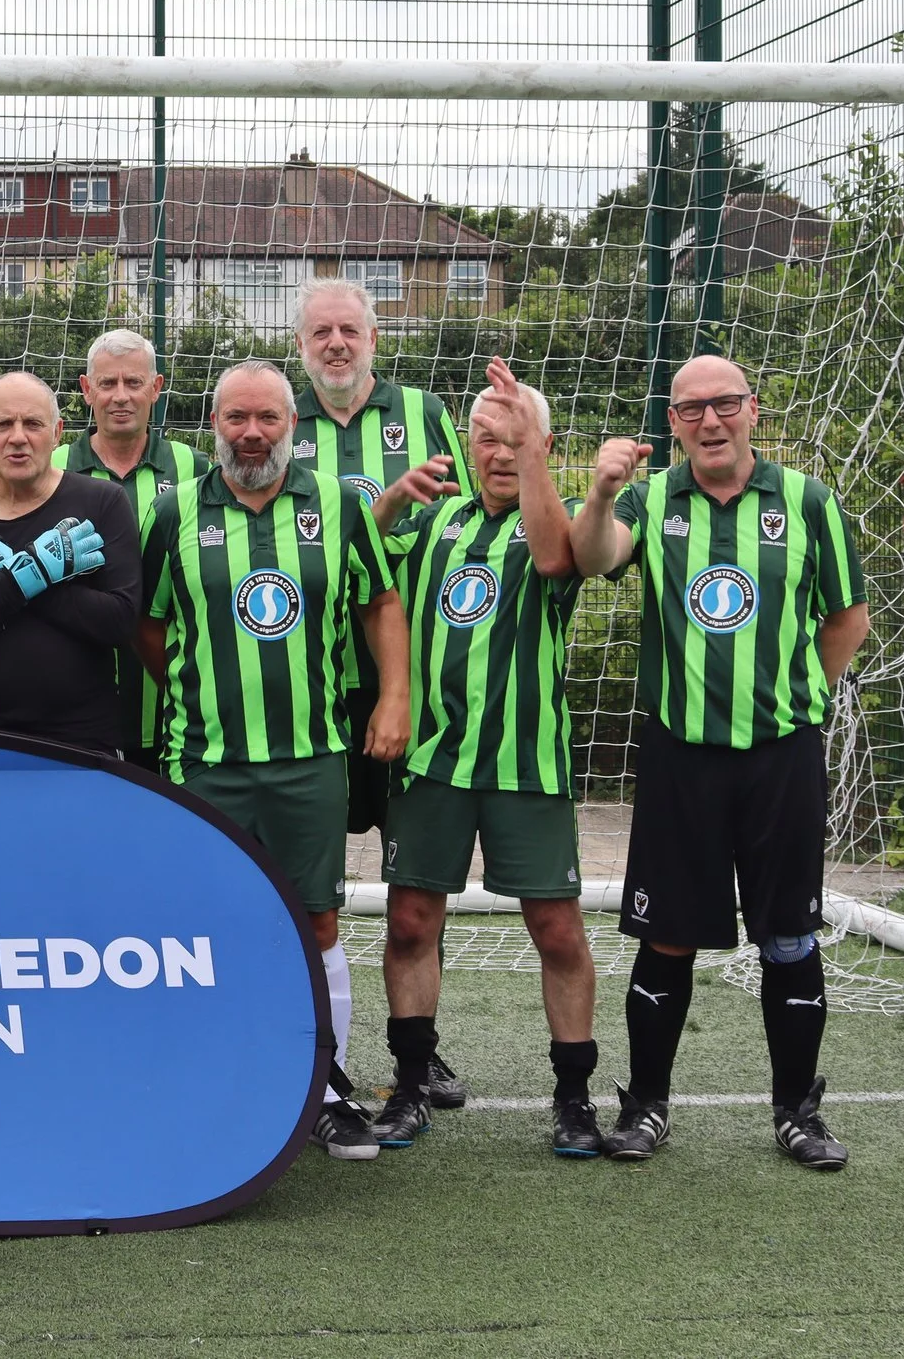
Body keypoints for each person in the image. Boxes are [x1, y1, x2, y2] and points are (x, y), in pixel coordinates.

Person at [571, 354, 871, 1171]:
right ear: (673, 423)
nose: (710, 420)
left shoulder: (808, 501)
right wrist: (599, 491)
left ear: (753, 410)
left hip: (782, 758)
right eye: (692, 408)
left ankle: (797, 1110)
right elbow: (592, 557)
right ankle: (646, 1104)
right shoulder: (651, 498)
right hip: (683, 759)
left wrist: (801, 698)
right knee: (666, 937)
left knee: (789, 937)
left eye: (725, 403)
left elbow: (847, 617)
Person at [136, 360, 408, 1161]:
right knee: (207, 922)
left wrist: (394, 696)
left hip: (311, 758)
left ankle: (324, 1090)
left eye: (267, 418)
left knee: (316, 919)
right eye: (236, 418)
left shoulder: (340, 504)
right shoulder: (172, 511)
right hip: (203, 759)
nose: (252, 433)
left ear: (293, 424)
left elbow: (381, 601)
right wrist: (197, 686)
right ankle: (219, 1081)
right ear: (213, 423)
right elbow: (148, 624)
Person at [366, 359, 603, 1158]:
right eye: (486, 438)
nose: (499, 453)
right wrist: (392, 496)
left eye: (517, 439)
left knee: (557, 930)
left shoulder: (559, 524)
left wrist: (533, 457)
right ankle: (409, 1083)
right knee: (410, 922)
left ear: (544, 446)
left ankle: (573, 1097)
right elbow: (361, 560)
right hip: (432, 761)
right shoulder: (435, 521)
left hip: (525, 767)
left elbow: (559, 561)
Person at [293, 275, 476, 1110]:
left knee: (414, 894)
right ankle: (303, 1046)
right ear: (301, 346)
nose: (336, 343)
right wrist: (388, 509)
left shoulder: (425, 414)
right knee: (305, 890)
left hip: (414, 684)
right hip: (312, 687)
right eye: (321, 332)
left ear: (374, 337)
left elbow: (468, 527)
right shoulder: (277, 422)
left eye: (349, 330)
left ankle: (418, 1052)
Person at [0, 372, 140, 752]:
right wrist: (30, 574)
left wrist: (13, 574)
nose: (18, 437)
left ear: (56, 433)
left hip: (83, 741)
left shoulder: (103, 502)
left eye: (33, 424)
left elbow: (120, 621)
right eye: (3, 424)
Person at [51, 329, 208, 765]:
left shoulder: (194, 467)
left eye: (134, 382)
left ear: (156, 388)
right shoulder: (54, 467)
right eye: (108, 383)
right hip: (74, 702)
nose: (120, 396)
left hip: (174, 700)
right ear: (87, 390)